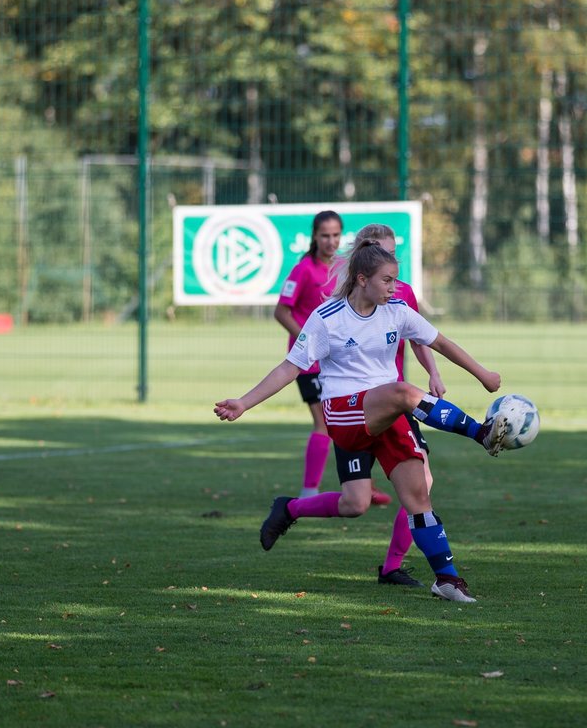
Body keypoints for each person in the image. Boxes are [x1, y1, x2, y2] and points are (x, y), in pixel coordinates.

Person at [215, 238, 509, 603]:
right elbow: (290, 367)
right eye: (387, 280)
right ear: (361, 279)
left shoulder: (397, 310)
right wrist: (244, 401)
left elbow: (441, 342)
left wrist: (483, 374)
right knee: (402, 392)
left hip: (382, 415)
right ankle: (481, 433)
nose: (394, 287)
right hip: (343, 414)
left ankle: (446, 579)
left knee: (408, 498)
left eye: (395, 280)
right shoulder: (328, 318)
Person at [345, 223, 442, 589]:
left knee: (422, 482)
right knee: (354, 503)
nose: (391, 264)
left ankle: (393, 566)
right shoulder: (339, 306)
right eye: (383, 255)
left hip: (396, 403)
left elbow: (421, 337)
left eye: (393, 254)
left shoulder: (400, 295)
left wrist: (433, 372)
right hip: (355, 409)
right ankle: (291, 507)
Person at [273, 210, 390, 506]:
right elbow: (281, 311)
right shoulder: (303, 270)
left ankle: (364, 486)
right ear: (314, 236)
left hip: (341, 363)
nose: (331, 241)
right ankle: (309, 490)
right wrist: (309, 341)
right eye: (325, 235)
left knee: (359, 421)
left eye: (336, 235)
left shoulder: (345, 268)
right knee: (323, 424)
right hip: (310, 363)